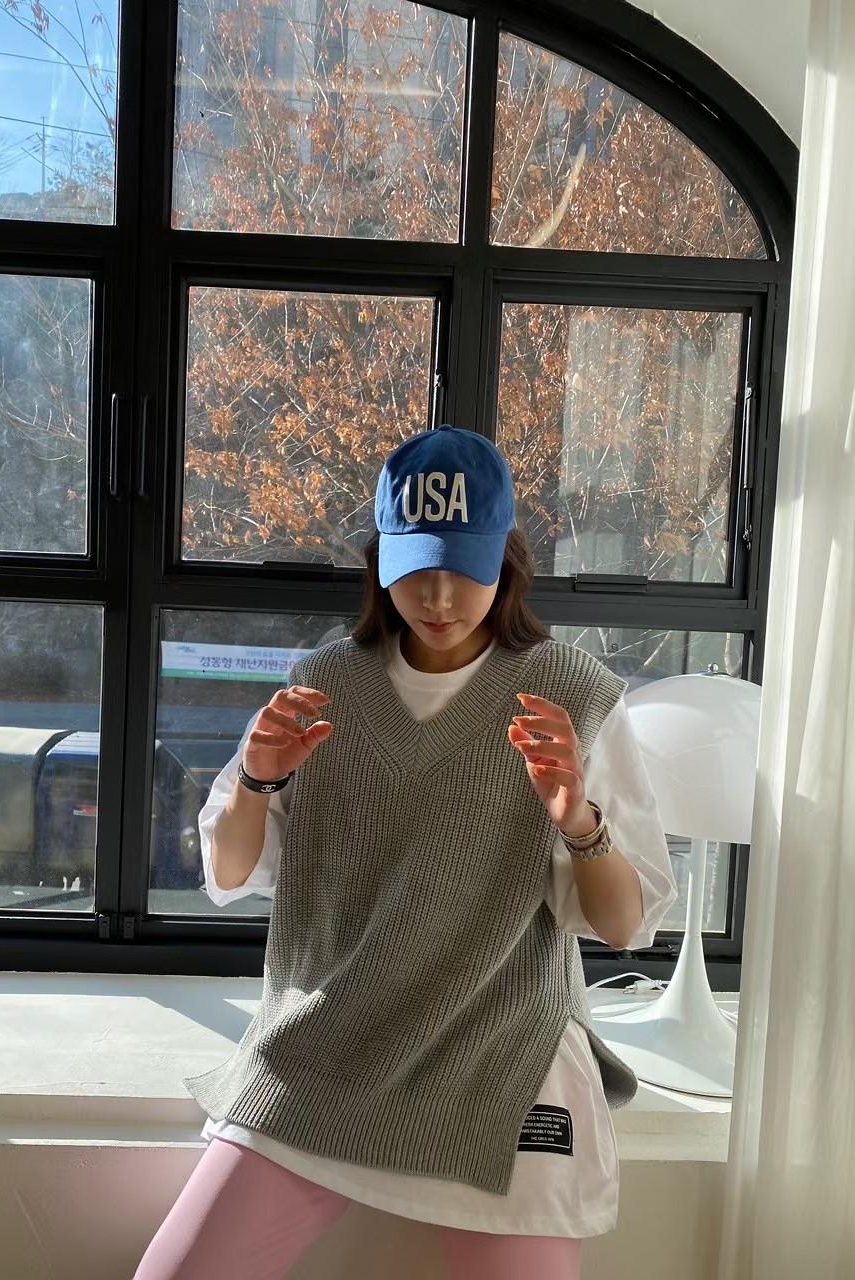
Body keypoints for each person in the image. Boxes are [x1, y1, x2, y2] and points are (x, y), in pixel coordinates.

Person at [133, 425, 677, 1280]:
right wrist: (258, 782)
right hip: (326, 1043)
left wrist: (579, 821)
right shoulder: (324, 685)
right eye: (416, 564)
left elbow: (621, 926)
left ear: (506, 560)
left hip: (501, 1051)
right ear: (380, 559)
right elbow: (230, 873)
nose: (440, 594)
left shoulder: (570, 697)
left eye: (465, 565)